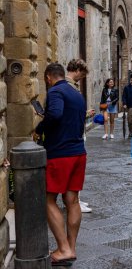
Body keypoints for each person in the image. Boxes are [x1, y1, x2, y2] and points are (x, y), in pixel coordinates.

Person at [35, 63, 86, 266]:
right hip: (78, 152)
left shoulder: (55, 91)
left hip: (60, 154)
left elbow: (55, 114)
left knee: (47, 200)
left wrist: (39, 127)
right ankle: (70, 248)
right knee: (72, 200)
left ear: (48, 77)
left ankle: (63, 249)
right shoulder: (76, 94)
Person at [66, 59, 93, 213]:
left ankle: (77, 200)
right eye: (81, 75)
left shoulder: (72, 86)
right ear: (76, 70)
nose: (82, 78)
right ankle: (74, 201)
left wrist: (85, 114)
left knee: (77, 170)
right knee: (75, 171)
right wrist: (85, 114)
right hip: (74, 135)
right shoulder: (69, 87)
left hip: (77, 132)